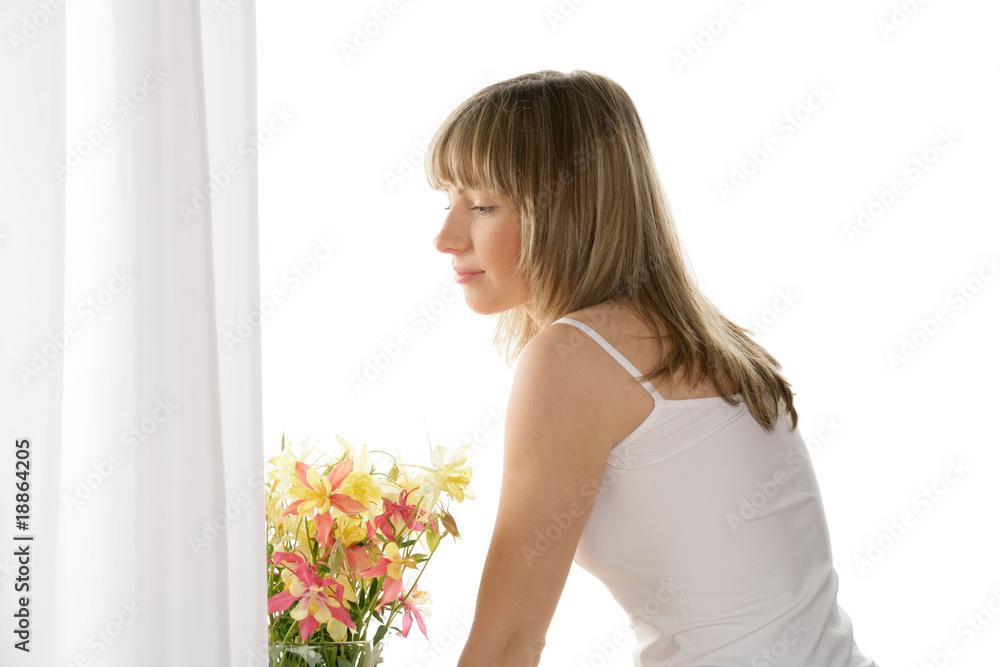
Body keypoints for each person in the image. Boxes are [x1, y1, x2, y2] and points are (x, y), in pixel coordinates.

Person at [427, 69, 878, 667]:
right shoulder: (702, 340)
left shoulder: (575, 357)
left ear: (564, 209)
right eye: (449, 200)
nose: (446, 236)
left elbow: (508, 644)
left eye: (482, 204)